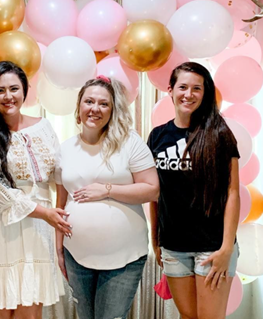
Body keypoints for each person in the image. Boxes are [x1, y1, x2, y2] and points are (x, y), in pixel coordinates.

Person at [0, 61, 71, 319]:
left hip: (37, 225)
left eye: (14, 88)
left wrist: (57, 216)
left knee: (30, 311)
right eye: (0, 91)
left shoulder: (43, 126)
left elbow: (60, 174)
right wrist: (45, 213)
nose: (8, 96)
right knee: (1, 309)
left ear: (24, 90)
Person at [55, 76, 160, 319]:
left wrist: (107, 189)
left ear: (113, 110)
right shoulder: (65, 149)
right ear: (79, 107)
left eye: (104, 104)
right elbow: (60, 204)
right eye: (89, 101)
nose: (95, 109)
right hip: (76, 255)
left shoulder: (130, 143)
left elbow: (152, 189)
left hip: (124, 258)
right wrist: (59, 248)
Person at [147, 62, 240, 319]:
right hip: (174, 247)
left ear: (205, 92)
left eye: (196, 88)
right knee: (188, 317)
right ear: (171, 90)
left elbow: (233, 192)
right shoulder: (157, 136)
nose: (189, 94)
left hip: (212, 247)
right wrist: (155, 240)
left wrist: (226, 248)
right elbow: (155, 193)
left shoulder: (219, 134)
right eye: (183, 87)